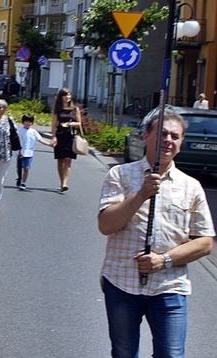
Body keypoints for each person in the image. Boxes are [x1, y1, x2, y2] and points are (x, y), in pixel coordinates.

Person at [97, 109, 214, 357]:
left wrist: (165, 260)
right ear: (146, 136)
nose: (168, 140)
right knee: (124, 353)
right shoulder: (119, 175)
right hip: (122, 284)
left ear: (181, 143)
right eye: (162, 134)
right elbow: (106, 225)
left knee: (171, 354)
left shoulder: (191, 187)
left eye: (175, 136)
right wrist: (140, 195)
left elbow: (205, 242)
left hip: (169, 288)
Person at [50, 87, 82, 194]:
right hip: (60, 135)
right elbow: (54, 124)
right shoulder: (58, 109)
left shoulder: (75, 109)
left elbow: (79, 123)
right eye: (65, 95)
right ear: (61, 97)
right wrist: (54, 137)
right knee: (60, 161)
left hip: (70, 136)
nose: (67, 97)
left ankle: (65, 183)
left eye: (69, 95)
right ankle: (61, 182)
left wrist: (71, 123)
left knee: (68, 160)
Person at [16, 114, 49, 190]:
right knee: (19, 168)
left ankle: (23, 182)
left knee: (26, 168)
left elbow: (40, 139)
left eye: (30, 121)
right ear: (23, 122)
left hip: (29, 153)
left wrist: (49, 144)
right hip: (20, 153)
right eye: (26, 121)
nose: (28, 123)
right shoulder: (19, 131)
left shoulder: (33, 131)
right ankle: (19, 177)